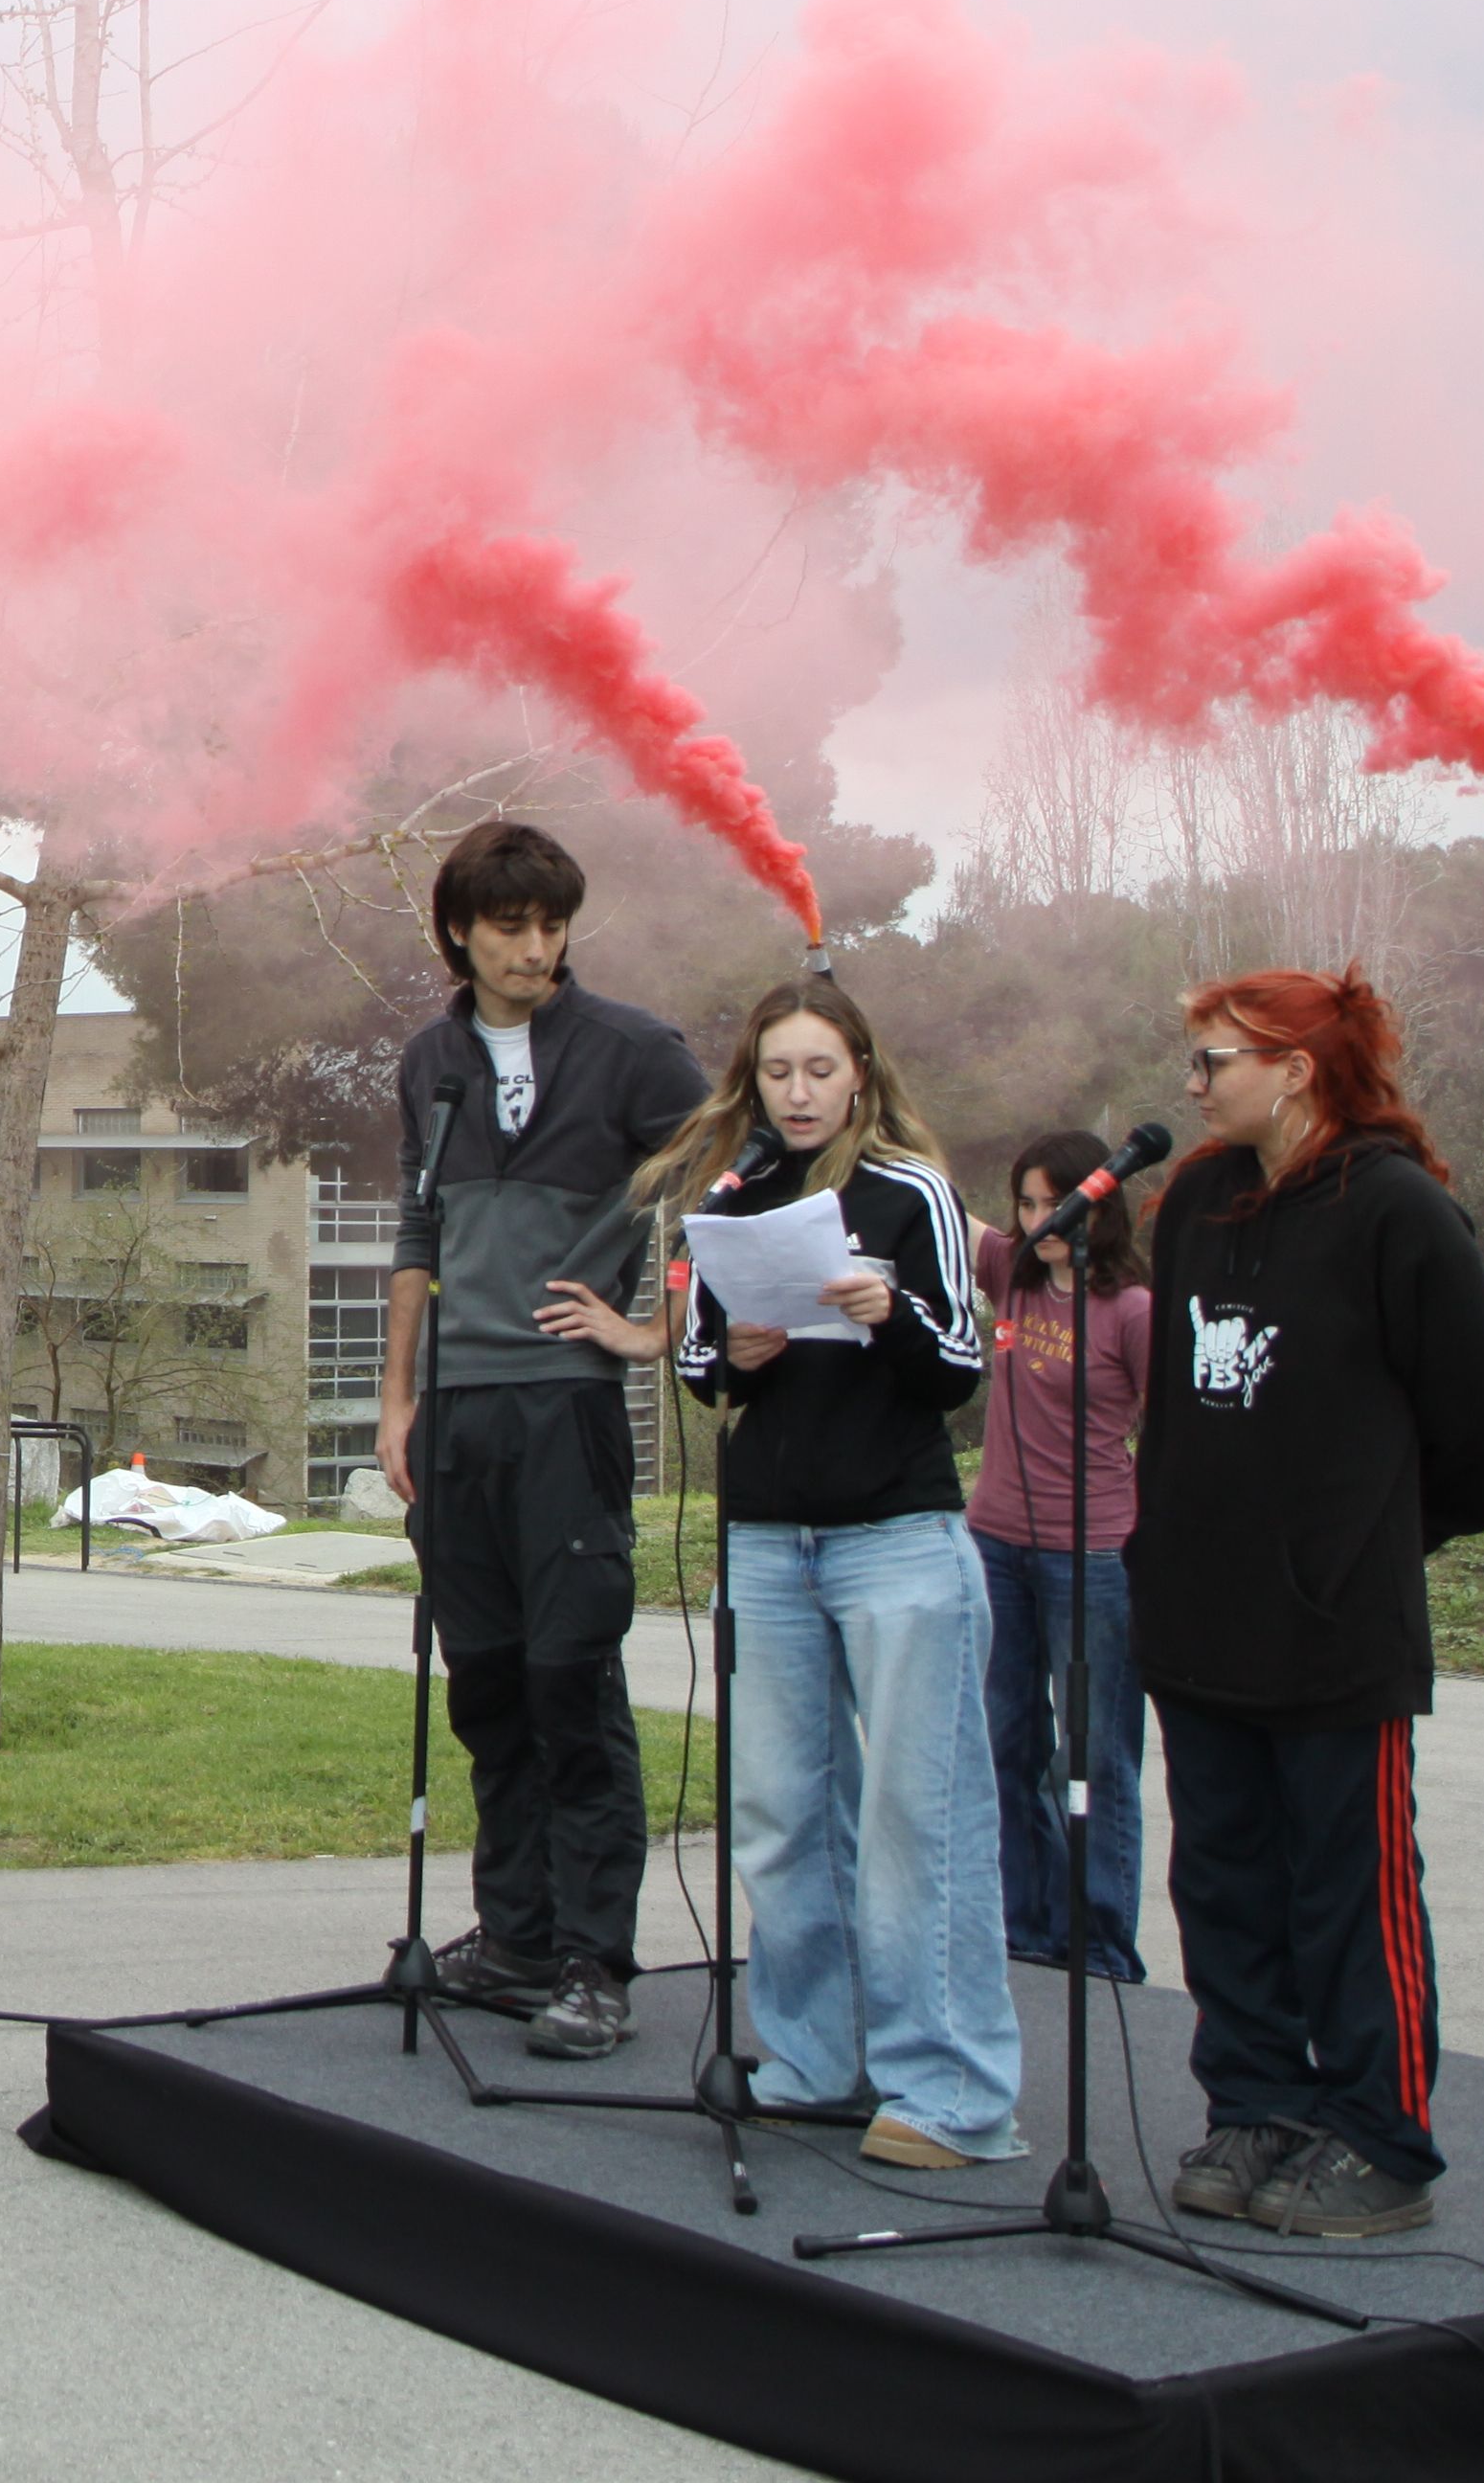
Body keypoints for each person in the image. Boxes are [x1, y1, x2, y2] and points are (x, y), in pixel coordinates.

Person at [1137, 968, 1484, 2240]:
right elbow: (1181, 1405)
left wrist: (1367, 1550)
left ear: (1295, 1067)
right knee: (1225, 1883)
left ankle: (1378, 2135)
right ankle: (1255, 2106)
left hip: (1336, 1627)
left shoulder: (1398, 1211)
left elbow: (1473, 1430)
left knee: (1347, 1893)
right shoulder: (1194, 1195)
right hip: (1200, 1613)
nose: (1192, 1086)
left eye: (1215, 1062)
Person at [654, 976, 1015, 2170]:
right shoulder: (734, 1196)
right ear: (749, 1082)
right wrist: (739, 1351)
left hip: (894, 1537)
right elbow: (700, 1366)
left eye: (818, 1070)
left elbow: (961, 1362)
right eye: (775, 1073)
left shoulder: (913, 1190)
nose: (797, 1093)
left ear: (860, 1069)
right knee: (781, 1818)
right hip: (767, 1538)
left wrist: (888, 1306)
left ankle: (951, 2093)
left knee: (922, 1816)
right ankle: (814, 2061)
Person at [379, 818, 709, 2061]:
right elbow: (419, 1239)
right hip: (456, 1422)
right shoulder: (428, 1062)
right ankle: (512, 1936)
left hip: (566, 1414)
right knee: (492, 1689)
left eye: (552, 923)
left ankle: (595, 1963)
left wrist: (650, 1327)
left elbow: (747, 1182)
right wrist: (396, 1403)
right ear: (459, 929)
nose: (534, 946)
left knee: (575, 1683)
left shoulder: (634, 1054)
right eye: (510, 925)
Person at [970, 1129, 1158, 1981]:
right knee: (1005, 1738)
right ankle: (1029, 1922)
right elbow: (930, 1192)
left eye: (1059, 1202)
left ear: (1100, 1207)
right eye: (1030, 1202)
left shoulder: (1132, 1311)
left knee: (1091, 1753)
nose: (1042, 1219)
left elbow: (1173, 1430)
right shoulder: (1008, 1273)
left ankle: (1102, 1938)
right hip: (997, 1544)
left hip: (1094, 1558)